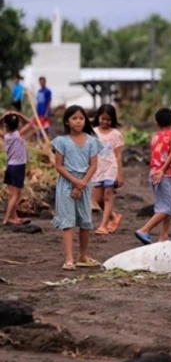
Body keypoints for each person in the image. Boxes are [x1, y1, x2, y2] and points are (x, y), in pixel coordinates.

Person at [51, 105, 103, 271]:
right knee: (68, 222)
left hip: (85, 183)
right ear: (67, 121)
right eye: (74, 118)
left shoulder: (92, 141)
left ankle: (82, 255)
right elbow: (59, 166)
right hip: (67, 183)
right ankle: (69, 258)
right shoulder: (61, 141)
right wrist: (75, 182)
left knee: (85, 222)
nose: (78, 121)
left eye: (81, 118)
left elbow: (93, 165)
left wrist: (82, 184)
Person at [135, 108, 171, 244]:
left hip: (154, 173)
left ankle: (163, 236)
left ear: (156, 122)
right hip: (163, 173)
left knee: (163, 205)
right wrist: (163, 169)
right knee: (169, 207)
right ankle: (144, 229)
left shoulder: (154, 136)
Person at [91, 104, 124, 235]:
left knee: (108, 196)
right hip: (97, 169)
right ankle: (113, 216)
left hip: (111, 167)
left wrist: (120, 174)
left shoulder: (116, 134)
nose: (105, 122)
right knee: (98, 200)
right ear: (98, 117)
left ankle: (103, 226)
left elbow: (118, 154)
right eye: (102, 118)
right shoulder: (93, 133)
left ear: (112, 120)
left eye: (108, 120)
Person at [0, 111, 34, 225]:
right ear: (18, 124)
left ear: (6, 126)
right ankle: (7, 219)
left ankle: (14, 217)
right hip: (18, 167)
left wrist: (3, 117)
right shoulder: (17, 135)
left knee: (11, 194)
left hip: (10, 166)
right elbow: (30, 123)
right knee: (16, 195)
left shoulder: (6, 136)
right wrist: (18, 114)